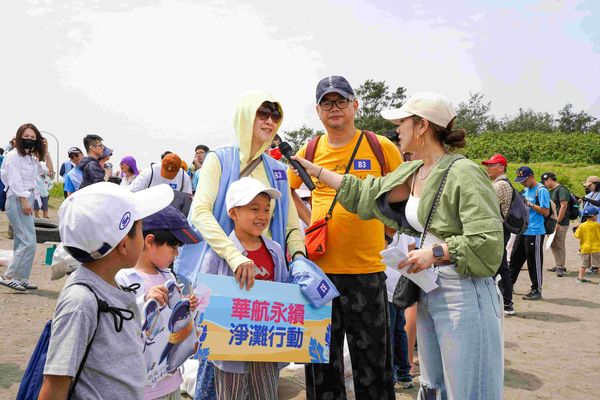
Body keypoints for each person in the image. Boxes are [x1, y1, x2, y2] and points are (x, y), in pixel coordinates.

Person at [291, 91, 504, 399]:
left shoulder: (463, 172)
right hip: (431, 289)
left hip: (464, 292)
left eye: (402, 123)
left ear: (422, 126)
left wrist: (436, 253)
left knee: (468, 386)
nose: (396, 130)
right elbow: (367, 192)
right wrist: (317, 171)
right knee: (435, 386)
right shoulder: (413, 171)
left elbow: (488, 243)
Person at [176, 90, 305, 400]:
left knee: (263, 364)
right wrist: (234, 256)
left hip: (266, 277)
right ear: (247, 116)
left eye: (275, 116)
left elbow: (289, 223)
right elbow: (200, 212)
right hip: (221, 271)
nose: (270, 121)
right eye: (263, 113)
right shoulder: (219, 159)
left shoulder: (276, 170)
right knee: (217, 362)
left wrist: (298, 258)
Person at [288, 76, 402, 400]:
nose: (334, 108)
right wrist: (310, 220)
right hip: (320, 276)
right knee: (321, 365)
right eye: (327, 102)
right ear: (318, 110)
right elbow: (285, 189)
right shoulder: (309, 150)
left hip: (367, 272)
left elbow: (401, 192)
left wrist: (389, 224)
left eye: (340, 101)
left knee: (374, 367)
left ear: (355, 104)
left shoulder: (380, 147)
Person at [38, 182, 173, 399]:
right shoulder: (81, 301)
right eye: (140, 228)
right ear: (123, 244)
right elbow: (54, 385)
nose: (143, 234)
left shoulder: (113, 285)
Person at [200, 177, 288, 399]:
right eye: (254, 209)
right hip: (231, 344)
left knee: (266, 393)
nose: (262, 216)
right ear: (233, 213)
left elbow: (285, 292)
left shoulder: (275, 251)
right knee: (232, 394)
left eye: (267, 209)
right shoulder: (219, 254)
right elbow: (203, 296)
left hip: (266, 342)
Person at [115, 205, 201, 400]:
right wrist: (143, 300)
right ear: (150, 241)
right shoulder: (125, 278)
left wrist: (186, 306)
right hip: (142, 386)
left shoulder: (168, 275)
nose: (176, 254)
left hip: (171, 380)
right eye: (173, 247)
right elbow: (118, 320)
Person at [0, 123, 53, 291]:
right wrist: (24, 201)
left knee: (21, 241)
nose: (29, 140)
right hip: (17, 199)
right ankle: (8, 276)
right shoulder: (13, 156)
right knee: (29, 241)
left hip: (27, 198)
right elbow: (14, 181)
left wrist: (46, 151)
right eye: (26, 137)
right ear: (18, 137)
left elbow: (48, 172)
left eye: (33, 137)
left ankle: (21, 277)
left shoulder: (31, 158)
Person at [508, 166, 550, 300]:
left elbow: (545, 211)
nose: (522, 183)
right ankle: (508, 284)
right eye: (520, 181)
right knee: (515, 259)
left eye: (524, 180)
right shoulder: (525, 189)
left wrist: (529, 204)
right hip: (523, 230)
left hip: (535, 231)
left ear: (531, 176)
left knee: (534, 261)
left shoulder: (541, 190)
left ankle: (536, 289)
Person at [481, 153, 516, 315]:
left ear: (501, 167)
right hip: (502, 229)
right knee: (500, 266)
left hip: (499, 229)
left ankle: (505, 302)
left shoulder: (499, 185)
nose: (488, 168)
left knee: (497, 265)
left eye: (491, 165)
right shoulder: (502, 183)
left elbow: (485, 206)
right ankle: (505, 302)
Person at [384, 233, 416, 389]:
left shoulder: (382, 217)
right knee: (399, 329)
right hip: (400, 281)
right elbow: (411, 247)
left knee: (388, 333)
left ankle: (390, 377)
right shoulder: (404, 220)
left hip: (386, 280)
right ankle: (404, 374)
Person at [541, 172, 571, 277]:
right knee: (553, 244)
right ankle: (558, 264)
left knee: (559, 244)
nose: (544, 184)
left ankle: (561, 267)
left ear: (549, 179)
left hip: (561, 222)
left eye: (544, 182)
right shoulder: (551, 191)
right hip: (552, 222)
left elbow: (564, 206)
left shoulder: (562, 189)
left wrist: (558, 221)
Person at [573, 206, 600, 283]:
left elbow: (577, 235)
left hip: (585, 248)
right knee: (598, 264)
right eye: (596, 215)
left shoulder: (582, 225)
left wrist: (575, 230)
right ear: (593, 216)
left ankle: (580, 278)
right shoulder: (597, 225)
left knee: (583, 264)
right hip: (596, 248)